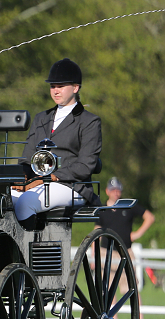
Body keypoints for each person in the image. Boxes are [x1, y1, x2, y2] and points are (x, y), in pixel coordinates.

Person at [10, 58, 102, 229]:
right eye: (53, 86)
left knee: (25, 203)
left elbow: (85, 165)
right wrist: (22, 177)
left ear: (76, 87)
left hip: (71, 185)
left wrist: (51, 177)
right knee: (4, 199)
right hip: (38, 183)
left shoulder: (89, 121)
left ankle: (31, 250)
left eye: (61, 86)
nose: (56, 90)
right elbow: (26, 158)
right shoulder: (41, 118)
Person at [96, 176, 155, 305]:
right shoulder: (102, 209)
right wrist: (94, 255)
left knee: (131, 288)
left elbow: (149, 217)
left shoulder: (128, 206)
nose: (115, 192)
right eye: (113, 190)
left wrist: (137, 234)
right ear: (107, 191)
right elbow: (97, 232)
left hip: (125, 251)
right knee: (107, 290)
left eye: (118, 190)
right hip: (106, 253)